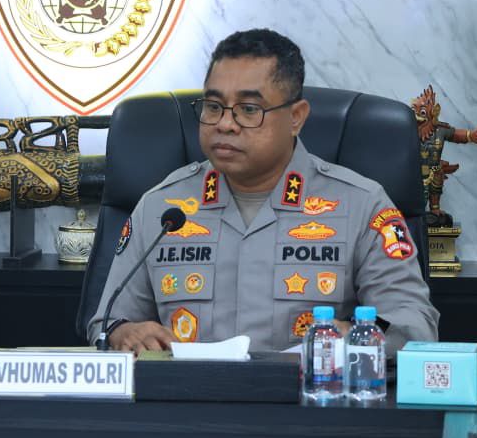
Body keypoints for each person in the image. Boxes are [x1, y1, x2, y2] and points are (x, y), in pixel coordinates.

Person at [88, 28, 438, 353]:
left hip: (310, 395)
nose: (225, 124)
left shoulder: (361, 205)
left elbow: (414, 326)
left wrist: (354, 336)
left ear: (296, 117)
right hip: (188, 395)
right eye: (213, 106)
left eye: (248, 109)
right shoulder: (162, 208)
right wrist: (124, 332)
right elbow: (108, 323)